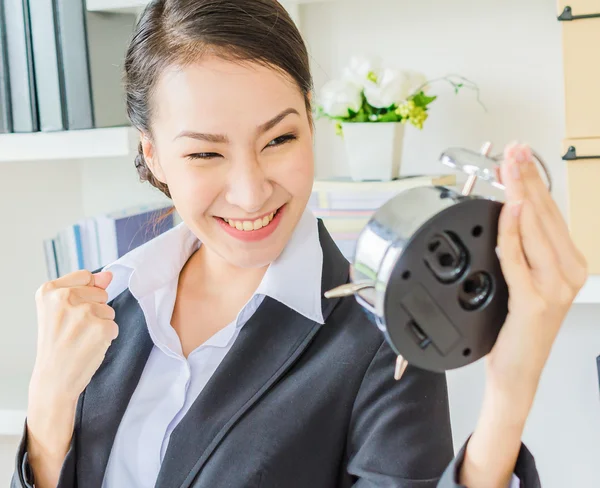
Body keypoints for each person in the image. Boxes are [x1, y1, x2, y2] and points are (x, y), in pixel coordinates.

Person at [12, 1, 587, 487]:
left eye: (280, 138)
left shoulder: (381, 341)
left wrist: (510, 393)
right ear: (153, 154)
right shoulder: (98, 311)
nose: (251, 191)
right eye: (205, 153)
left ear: (310, 119)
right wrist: (47, 406)